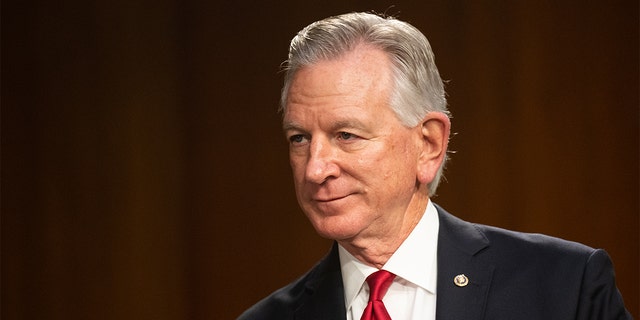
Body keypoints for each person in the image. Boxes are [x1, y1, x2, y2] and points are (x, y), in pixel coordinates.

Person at [238, 12, 632, 320]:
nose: (315, 169)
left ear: (428, 144)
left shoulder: (564, 287)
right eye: (299, 139)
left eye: (346, 135)